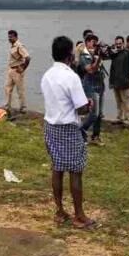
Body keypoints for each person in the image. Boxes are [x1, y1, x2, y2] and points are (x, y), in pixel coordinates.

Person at [41, 36, 96, 229]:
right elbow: (81, 109)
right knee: (75, 171)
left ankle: (59, 210)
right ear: (69, 55)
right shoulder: (71, 76)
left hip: (50, 125)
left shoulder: (47, 74)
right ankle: (79, 215)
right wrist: (89, 105)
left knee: (57, 168)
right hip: (67, 127)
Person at [79, 34, 107, 145]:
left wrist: (105, 51)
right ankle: (81, 131)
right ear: (86, 42)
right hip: (90, 86)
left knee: (100, 114)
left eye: (95, 42)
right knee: (94, 113)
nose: (94, 44)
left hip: (100, 84)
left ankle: (95, 136)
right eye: (92, 42)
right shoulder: (83, 55)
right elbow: (90, 70)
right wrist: (99, 57)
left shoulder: (96, 53)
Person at [109, 35, 129, 123]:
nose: (118, 45)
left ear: (123, 43)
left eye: (120, 43)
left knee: (126, 102)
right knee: (118, 102)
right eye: (116, 43)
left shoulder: (128, 53)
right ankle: (120, 117)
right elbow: (112, 68)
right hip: (115, 83)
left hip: (125, 83)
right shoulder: (114, 54)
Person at [4, 30, 31, 114]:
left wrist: (23, 68)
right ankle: (7, 106)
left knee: (20, 89)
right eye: (9, 37)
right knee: (7, 88)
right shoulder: (13, 46)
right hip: (11, 69)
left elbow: (28, 58)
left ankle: (23, 107)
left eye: (11, 37)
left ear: (16, 37)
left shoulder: (19, 46)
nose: (9, 38)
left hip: (17, 71)